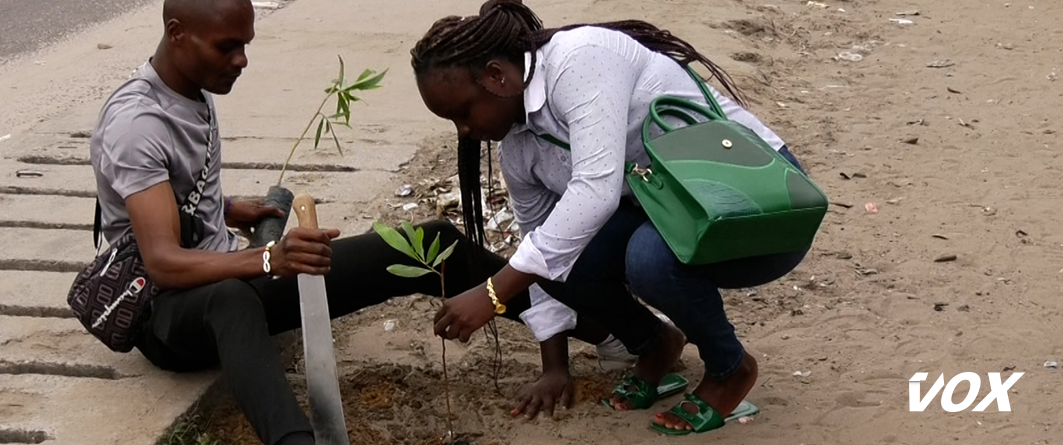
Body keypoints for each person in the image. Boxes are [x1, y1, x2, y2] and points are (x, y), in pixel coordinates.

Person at [87, 1, 645, 443]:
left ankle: (607, 329)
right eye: (227, 47)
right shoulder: (137, 122)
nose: (242, 60)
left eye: (245, 45)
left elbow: (170, 192)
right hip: (172, 312)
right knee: (232, 299)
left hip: (233, 277)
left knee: (432, 243)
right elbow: (161, 261)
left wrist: (231, 209)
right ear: (177, 32)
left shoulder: (190, 90)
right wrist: (269, 258)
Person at [410, 0, 814, 435]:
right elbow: (539, 249)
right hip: (674, 210)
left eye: (462, 113)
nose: (463, 132)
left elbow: (596, 190)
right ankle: (656, 344)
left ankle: (729, 368)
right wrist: (554, 367)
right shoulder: (520, 149)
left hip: (760, 205)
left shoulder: (579, 61)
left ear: (496, 76)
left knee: (648, 260)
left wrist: (493, 293)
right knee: (550, 256)